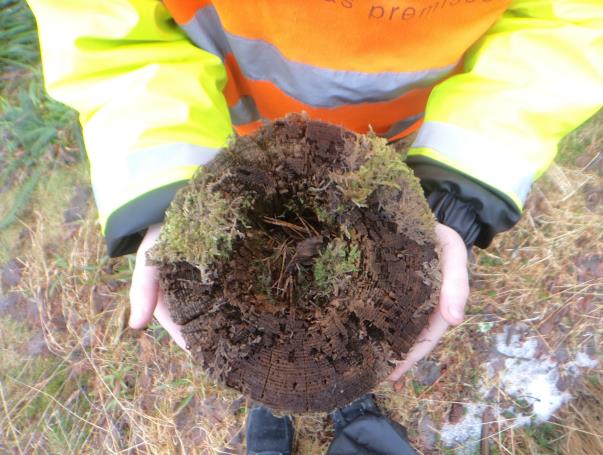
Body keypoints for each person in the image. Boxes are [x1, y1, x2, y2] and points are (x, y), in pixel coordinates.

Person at [26, 0, 603, 453]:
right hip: (238, 136)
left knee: (363, 341)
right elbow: (109, 32)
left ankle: (343, 393)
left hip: (407, 143)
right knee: (283, 360)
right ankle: (285, 394)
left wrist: (453, 186)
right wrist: (168, 189)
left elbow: (571, 22)